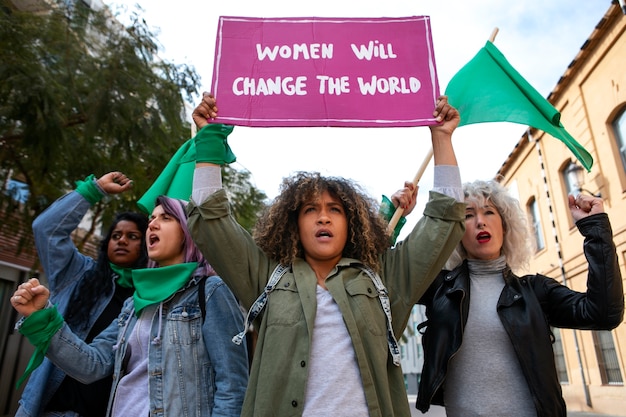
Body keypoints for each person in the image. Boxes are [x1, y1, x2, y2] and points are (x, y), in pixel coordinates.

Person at [184, 92, 466, 417]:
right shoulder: (267, 279)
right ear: (293, 224)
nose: (323, 217)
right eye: (310, 210)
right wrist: (208, 142)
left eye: (335, 209)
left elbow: (444, 221)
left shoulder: (383, 279)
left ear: (352, 225)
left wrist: (442, 138)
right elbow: (211, 221)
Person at [11, 195, 249, 417]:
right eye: (151, 219)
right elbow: (92, 365)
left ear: (190, 232)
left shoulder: (211, 291)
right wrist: (42, 317)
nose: (153, 225)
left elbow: (233, 385)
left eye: (166, 218)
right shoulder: (133, 303)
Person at [414, 179, 624, 416]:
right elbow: (388, 274)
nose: (480, 221)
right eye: (468, 215)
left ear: (505, 226)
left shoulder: (535, 291)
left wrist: (596, 230)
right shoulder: (440, 289)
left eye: (489, 212)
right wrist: (396, 217)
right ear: (457, 232)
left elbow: (604, 313)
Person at [15, 171, 149, 417]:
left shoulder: (148, 297)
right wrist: (94, 189)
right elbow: (46, 230)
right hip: (46, 409)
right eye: (116, 236)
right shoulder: (77, 272)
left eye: (133, 237)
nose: (121, 241)